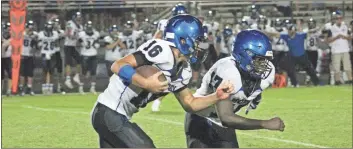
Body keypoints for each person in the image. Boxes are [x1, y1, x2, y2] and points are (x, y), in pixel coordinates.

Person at [90, 14, 234, 148]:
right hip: (108, 112)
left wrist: (216, 96)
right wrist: (145, 83)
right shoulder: (161, 49)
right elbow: (118, 65)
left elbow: (189, 103)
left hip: (117, 116)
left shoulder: (183, 70)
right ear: (182, 39)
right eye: (197, 41)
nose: (200, 46)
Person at [185, 30, 285, 148]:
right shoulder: (228, 72)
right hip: (200, 119)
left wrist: (255, 97)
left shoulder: (267, 73)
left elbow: (254, 87)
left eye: (266, 59)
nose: (264, 65)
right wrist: (264, 123)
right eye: (259, 59)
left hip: (223, 125)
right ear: (244, 54)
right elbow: (226, 117)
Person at [151, 3, 188, 112]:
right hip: (166, 53)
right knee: (166, 78)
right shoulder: (165, 23)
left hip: (178, 54)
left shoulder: (186, 25)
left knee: (175, 79)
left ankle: (157, 100)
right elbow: (157, 36)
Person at [266, 20, 320, 87]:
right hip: (292, 56)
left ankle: (316, 83)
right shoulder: (286, 36)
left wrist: (316, 29)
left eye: (290, 30)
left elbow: (309, 32)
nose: (289, 32)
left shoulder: (300, 35)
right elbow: (276, 34)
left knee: (309, 69)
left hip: (302, 56)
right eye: (289, 30)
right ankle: (294, 84)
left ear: (294, 31)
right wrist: (266, 32)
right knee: (291, 70)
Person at [325, 12, 352, 85]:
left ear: (342, 19)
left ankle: (350, 80)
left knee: (348, 66)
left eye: (340, 18)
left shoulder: (345, 27)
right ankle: (337, 81)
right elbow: (328, 40)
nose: (339, 20)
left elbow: (350, 37)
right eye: (337, 18)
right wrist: (337, 37)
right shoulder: (331, 28)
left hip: (345, 49)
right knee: (336, 67)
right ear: (335, 20)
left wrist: (345, 37)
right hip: (336, 50)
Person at [77, 21, 100, 94]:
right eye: (88, 27)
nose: (89, 29)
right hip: (84, 54)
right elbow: (78, 42)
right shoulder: (82, 34)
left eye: (90, 27)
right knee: (84, 72)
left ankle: (92, 88)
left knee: (94, 72)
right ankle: (81, 87)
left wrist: (96, 45)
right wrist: (82, 44)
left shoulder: (96, 34)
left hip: (93, 54)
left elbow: (97, 42)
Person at [37, 21, 59, 94]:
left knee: (52, 71)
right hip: (44, 53)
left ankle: (50, 87)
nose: (49, 27)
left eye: (50, 25)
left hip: (52, 53)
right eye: (48, 25)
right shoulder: (41, 34)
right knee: (44, 71)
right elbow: (39, 44)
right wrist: (39, 44)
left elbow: (56, 43)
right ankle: (44, 87)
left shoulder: (55, 33)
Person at [64, 12, 84, 89]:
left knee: (79, 60)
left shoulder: (81, 26)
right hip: (68, 45)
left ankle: (76, 76)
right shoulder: (70, 23)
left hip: (73, 46)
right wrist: (74, 36)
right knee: (68, 62)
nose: (78, 19)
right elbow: (69, 34)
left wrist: (82, 42)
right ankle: (68, 79)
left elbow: (79, 38)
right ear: (74, 17)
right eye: (77, 17)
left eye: (79, 18)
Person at [19, 20, 38, 96]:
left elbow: (37, 43)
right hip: (22, 55)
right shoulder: (22, 33)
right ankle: (21, 88)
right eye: (29, 27)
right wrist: (29, 34)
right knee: (22, 73)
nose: (30, 29)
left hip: (30, 55)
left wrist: (35, 40)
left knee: (30, 73)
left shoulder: (35, 34)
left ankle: (29, 88)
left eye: (31, 27)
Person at [53, 18, 66, 94]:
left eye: (57, 23)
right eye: (55, 23)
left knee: (60, 71)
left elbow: (61, 43)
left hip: (59, 52)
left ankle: (60, 86)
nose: (56, 25)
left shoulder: (61, 32)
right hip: (51, 52)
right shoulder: (50, 31)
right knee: (51, 71)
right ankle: (51, 86)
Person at [1, 22, 12, 96]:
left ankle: (9, 90)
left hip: (8, 57)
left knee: (10, 74)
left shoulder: (12, 37)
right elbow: (4, 46)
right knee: (1, 75)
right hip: (1, 58)